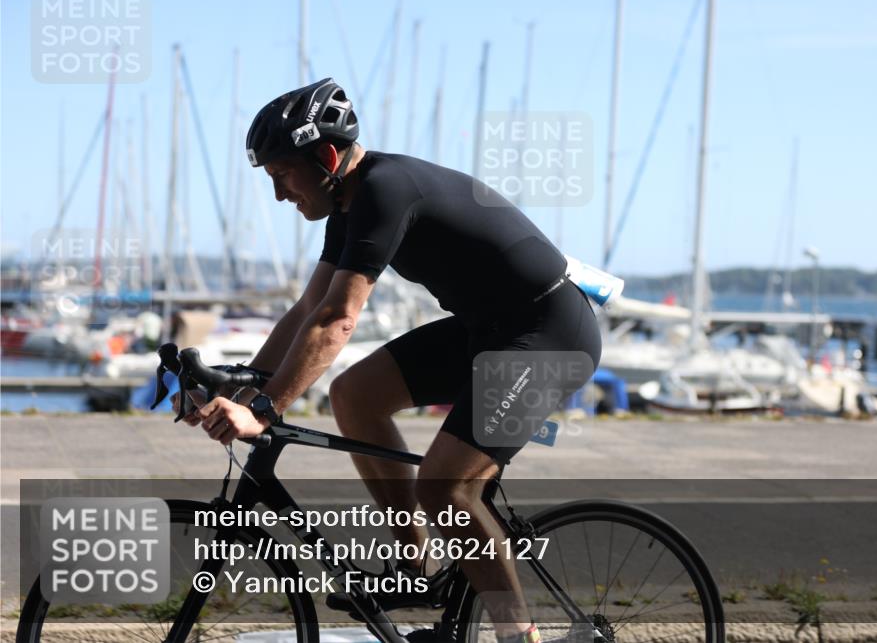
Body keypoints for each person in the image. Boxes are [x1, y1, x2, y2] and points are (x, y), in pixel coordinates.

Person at [181, 78, 601, 643]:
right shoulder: (347, 206)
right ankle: (415, 568)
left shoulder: (385, 189)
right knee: (354, 396)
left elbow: (338, 321)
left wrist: (267, 409)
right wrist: (240, 388)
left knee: (446, 487)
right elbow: (308, 308)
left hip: (549, 333)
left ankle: (516, 634)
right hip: (491, 330)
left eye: (281, 175)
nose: (279, 194)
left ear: (327, 157)